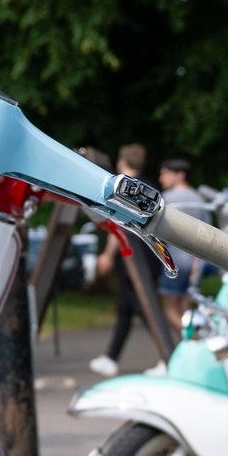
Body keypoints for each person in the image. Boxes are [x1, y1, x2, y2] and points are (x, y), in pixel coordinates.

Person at [90, 145, 165, 377]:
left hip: (133, 256)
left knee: (144, 308)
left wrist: (107, 255)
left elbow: (119, 224)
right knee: (126, 307)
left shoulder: (124, 190)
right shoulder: (150, 187)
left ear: (122, 162)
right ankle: (111, 357)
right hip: (150, 255)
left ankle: (168, 356)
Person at [153, 157, 211, 331]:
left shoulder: (167, 198)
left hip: (174, 260)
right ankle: (188, 345)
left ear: (180, 175)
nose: (161, 178)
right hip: (196, 262)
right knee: (185, 310)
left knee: (169, 309)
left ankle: (191, 341)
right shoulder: (198, 199)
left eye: (165, 173)